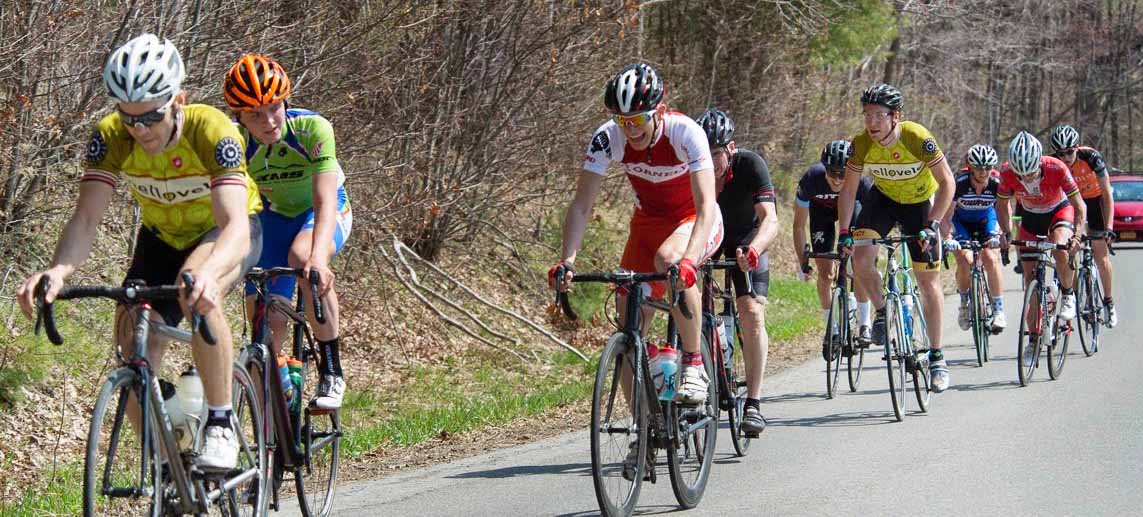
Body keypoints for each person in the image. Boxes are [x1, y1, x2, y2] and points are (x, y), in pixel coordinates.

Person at [15, 34, 263, 470]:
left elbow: (234, 225)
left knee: (195, 290)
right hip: (161, 237)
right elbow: (86, 219)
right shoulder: (112, 138)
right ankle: (167, 463)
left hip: (223, 233)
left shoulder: (212, 131)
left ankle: (221, 423)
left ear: (178, 101)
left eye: (151, 115)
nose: (140, 128)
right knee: (131, 331)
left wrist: (209, 275)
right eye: (128, 117)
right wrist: (58, 270)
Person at [550, 62, 722, 408]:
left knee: (670, 261)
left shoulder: (686, 132)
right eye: (623, 121)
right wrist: (568, 260)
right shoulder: (607, 138)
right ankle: (641, 430)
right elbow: (582, 205)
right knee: (627, 316)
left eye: (638, 120)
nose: (630, 129)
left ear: (658, 111)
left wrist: (689, 262)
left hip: (694, 220)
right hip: (647, 224)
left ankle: (693, 362)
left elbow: (706, 207)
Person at [224, 54, 352, 410]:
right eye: (254, 114)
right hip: (270, 220)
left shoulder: (312, 129)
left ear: (286, 102)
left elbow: (325, 198)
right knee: (268, 320)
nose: (267, 121)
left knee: (303, 261)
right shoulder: (232, 146)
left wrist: (318, 257)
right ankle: (282, 399)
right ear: (239, 117)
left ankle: (331, 370)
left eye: (274, 108)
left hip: (320, 211)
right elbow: (226, 209)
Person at [836, 83, 956, 393]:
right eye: (867, 116)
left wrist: (934, 224)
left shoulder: (918, 137)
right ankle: (880, 311)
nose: (872, 123)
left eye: (878, 116)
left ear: (895, 116)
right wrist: (844, 232)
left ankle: (938, 357)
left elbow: (947, 184)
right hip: (884, 200)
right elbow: (849, 190)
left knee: (927, 282)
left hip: (920, 206)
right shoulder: (861, 143)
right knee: (860, 259)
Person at [695, 108, 776, 436]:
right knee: (691, 309)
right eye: (704, 153)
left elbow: (770, 218)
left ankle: (754, 403)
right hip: (708, 238)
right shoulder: (692, 169)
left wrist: (755, 249)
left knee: (751, 313)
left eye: (716, 154)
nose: (710, 162)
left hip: (746, 239)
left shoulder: (750, 165)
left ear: (730, 149)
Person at [997, 132, 1087, 364]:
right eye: (1021, 175)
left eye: (1031, 173)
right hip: (1030, 217)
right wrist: (1006, 234)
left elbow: (1080, 206)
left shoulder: (1057, 168)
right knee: (1030, 281)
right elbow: (1002, 205)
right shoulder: (1007, 173)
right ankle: (1033, 340)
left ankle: (1067, 294)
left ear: (1040, 163)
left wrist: (1076, 235)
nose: (1026, 179)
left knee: (1060, 248)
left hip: (1059, 211)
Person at [794, 140, 875, 354]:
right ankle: (832, 326)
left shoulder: (862, 183)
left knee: (858, 267)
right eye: (832, 173)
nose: (838, 179)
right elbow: (799, 225)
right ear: (824, 169)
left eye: (843, 174)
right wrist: (802, 260)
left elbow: (873, 223)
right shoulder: (811, 179)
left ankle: (864, 323)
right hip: (822, 216)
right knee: (825, 274)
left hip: (852, 213)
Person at [1049, 124, 1116, 328]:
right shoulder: (1054, 163)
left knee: (1099, 252)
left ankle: (1108, 301)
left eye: (1069, 152)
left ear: (1077, 148)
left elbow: (1107, 194)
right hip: (1071, 203)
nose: (1066, 157)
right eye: (1061, 153)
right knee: (1067, 249)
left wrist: (1109, 227)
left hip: (1096, 201)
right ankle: (1074, 293)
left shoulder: (1092, 157)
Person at [941, 144, 1006, 332]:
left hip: (986, 220)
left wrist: (1003, 234)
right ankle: (964, 304)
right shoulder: (959, 184)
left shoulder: (996, 183)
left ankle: (998, 309)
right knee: (964, 260)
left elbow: (1004, 210)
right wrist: (948, 237)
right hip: (961, 223)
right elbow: (946, 216)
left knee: (991, 258)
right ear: (970, 167)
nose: (983, 172)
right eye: (978, 167)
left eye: (987, 167)